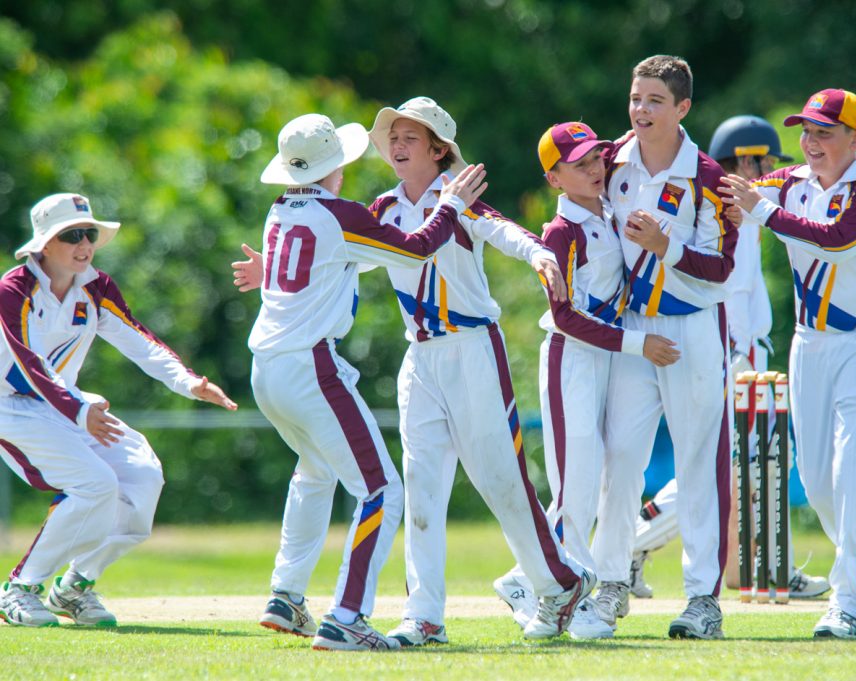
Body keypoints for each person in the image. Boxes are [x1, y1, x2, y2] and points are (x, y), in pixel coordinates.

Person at [236, 100, 595, 645]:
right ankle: (424, 614)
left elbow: (502, 230)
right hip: (420, 357)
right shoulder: (380, 206)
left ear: (438, 149)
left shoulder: (459, 196)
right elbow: (341, 253)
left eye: (410, 137)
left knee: (501, 479)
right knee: (421, 492)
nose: (397, 145)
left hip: (473, 349)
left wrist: (539, 255)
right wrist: (275, 267)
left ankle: (561, 583)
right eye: (392, 137)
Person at [242, 112, 487, 652]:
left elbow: (321, 261)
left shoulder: (279, 208)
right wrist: (449, 206)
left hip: (265, 367)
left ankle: (286, 596)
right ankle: (347, 615)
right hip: (310, 366)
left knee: (314, 472)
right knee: (380, 492)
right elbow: (418, 247)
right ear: (338, 164)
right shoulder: (342, 213)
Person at [719, 88, 856, 639]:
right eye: (806, 132)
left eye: (825, 133)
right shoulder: (788, 183)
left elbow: (836, 243)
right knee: (816, 480)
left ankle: (847, 600)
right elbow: (723, 192)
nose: (811, 143)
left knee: (852, 469)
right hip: (811, 341)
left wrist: (762, 211)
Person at [0, 192, 237, 628]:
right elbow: (28, 365)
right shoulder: (13, 290)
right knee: (95, 484)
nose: (84, 243)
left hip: (65, 404)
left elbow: (138, 339)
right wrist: (78, 410)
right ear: (44, 245)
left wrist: (188, 382)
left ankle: (75, 586)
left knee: (143, 478)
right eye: (71, 235)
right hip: (11, 409)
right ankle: (21, 587)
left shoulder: (96, 286)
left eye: (88, 233)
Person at [628, 116, 829, 603]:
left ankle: (764, 564)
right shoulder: (724, 209)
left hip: (741, 350)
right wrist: (736, 355)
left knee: (748, 467)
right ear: (744, 158)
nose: (768, 170)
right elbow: (724, 290)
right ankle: (628, 544)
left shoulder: (739, 207)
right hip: (733, 353)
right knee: (728, 464)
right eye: (763, 161)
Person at [492, 122, 680, 640]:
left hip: (607, 357)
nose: (596, 168)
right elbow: (567, 316)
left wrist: (638, 128)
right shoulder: (560, 232)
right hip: (571, 358)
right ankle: (559, 599)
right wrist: (640, 344)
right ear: (553, 179)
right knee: (575, 484)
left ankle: (523, 578)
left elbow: (626, 145)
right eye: (579, 164)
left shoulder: (606, 206)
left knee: (590, 478)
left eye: (598, 158)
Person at [587, 55, 738, 640]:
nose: (641, 110)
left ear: (683, 109)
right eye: (635, 98)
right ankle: (609, 585)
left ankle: (702, 599)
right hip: (633, 331)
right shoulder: (609, 161)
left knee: (699, 463)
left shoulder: (707, 176)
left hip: (693, 329)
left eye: (654, 101)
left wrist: (664, 243)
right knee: (619, 456)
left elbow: (721, 272)